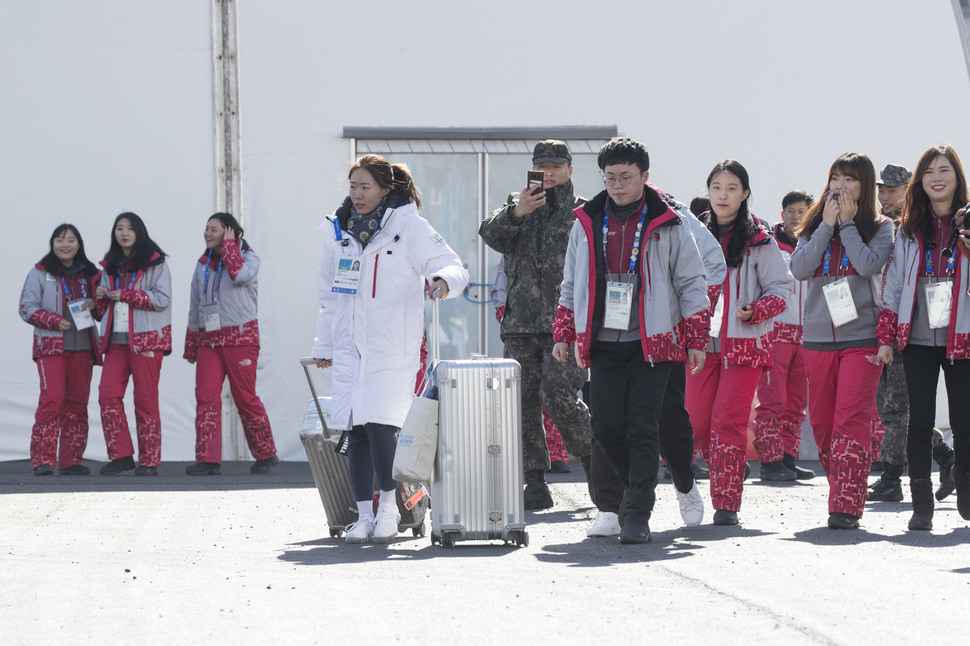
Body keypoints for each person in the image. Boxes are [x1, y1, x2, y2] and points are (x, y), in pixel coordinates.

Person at [553, 137, 711, 543]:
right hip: (604, 339)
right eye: (610, 177)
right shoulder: (586, 222)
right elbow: (571, 282)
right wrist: (564, 329)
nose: (618, 185)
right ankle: (630, 495)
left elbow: (692, 281)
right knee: (605, 426)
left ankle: (637, 512)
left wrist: (696, 336)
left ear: (645, 176)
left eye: (626, 177)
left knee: (644, 425)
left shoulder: (670, 221)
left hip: (653, 341)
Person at [312, 154, 468, 544]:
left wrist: (443, 281)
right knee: (357, 430)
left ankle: (388, 509)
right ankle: (362, 515)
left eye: (365, 186)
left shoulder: (408, 225)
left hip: (392, 346)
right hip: (351, 348)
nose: (358, 194)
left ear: (385, 189)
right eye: (353, 186)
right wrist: (325, 343)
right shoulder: (338, 232)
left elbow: (452, 264)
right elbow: (328, 297)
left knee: (383, 426)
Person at [479, 140, 592, 510]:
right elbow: (491, 235)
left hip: (566, 325)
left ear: (570, 170)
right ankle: (534, 481)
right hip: (521, 323)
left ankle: (595, 462)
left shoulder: (584, 212)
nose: (549, 174)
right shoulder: (517, 204)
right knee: (521, 405)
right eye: (542, 167)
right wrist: (518, 212)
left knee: (558, 397)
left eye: (556, 167)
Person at [790, 152, 894, 530]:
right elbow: (799, 269)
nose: (841, 186)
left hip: (861, 340)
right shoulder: (814, 223)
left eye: (850, 180)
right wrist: (826, 226)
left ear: (864, 187)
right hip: (817, 339)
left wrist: (848, 226)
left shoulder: (881, 227)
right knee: (822, 423)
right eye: (836, 178)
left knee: (851, 419)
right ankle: (844, 488)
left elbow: (868, 265)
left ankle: (845, 505)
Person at [686, 160, 793, 526]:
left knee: (727, 424)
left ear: (745, 193)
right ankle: (729, 465)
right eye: (716, 186)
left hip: (744, 348)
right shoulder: (693, 234)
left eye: (732, 188)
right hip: (700, 346)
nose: (723, 194)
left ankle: (726, 502)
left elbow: (783, 288)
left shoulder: (758, 238)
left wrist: (757, 310)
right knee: (695, 423)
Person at [877, 144, 970, 528]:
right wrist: (885, 337)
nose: (936, 176)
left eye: (944, 169)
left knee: (965, 423)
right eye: (929, 170)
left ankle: (965, 490)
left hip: (961, 337)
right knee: (918, 421)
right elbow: (894, 284)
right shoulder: (908, 229)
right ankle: (921, 506)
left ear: (957, 177)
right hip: (916, 339)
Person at [183, 213, 279, 476]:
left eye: (213, 229)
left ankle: (266, 453)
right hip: (209, 340)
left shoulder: (250, 258)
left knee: (245, 398)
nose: (207, 233)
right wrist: (191, 340)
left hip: (240, 339)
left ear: (230, 233)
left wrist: (229, 246)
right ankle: (207, 458)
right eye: (206, 228)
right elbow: (195, 305)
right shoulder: (202, 264)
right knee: (206, 398)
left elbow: (237, 275)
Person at [19, 224, 102, 476]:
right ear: (52, 243)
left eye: (71, 240)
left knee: (78, 403)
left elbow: (102, 310)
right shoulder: (39, 272)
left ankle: (72, 459)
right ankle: (43, 459)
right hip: (51, 347)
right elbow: (26, 308)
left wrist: (95, 303)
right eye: (59, 240)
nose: (65, 244)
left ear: (79, 245)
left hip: (84, 347)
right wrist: (53, 320)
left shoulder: (92, 274)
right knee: (52, 400)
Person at [94, 212, 172, 476]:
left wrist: (126, 295)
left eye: (129, 228)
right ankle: (121, 455)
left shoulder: (156, 263)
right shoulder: (110, 265)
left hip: (147, 340)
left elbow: (162, 299)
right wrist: (100, 296)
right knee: (107, 395)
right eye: (119, 228)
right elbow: (102, 308)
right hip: (115, 341)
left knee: (145, 399)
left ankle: (149, 460)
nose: (123, 233)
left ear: (139, 232)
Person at [752, 190, 816, 481]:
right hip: (775, 333)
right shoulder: (767, 245)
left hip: (806, 335)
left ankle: (788, 458)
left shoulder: (816, 244)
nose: (796, 216)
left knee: (797, 403)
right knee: (772, 400)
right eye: (790, 210)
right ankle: (770, 461)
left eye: (802, 210)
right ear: (782, 215)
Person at [491, 257, 571, 473]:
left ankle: (558, 453)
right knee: (525, 399)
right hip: (523, 333)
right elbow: (499, 287)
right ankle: (532, 466)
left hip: (558, 330)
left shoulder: (566, 230)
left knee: (555, 394)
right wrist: (506, 316)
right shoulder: (515, 233)